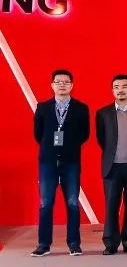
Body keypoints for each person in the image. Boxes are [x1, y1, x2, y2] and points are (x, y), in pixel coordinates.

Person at [31, 69, 90, 257]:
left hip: (71, 161)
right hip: (47, 162)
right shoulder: (42, 107)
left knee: (72, 203)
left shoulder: (81, 108)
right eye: (58, 82)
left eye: (66, 82)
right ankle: (43, 244)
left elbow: (84, 134)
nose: (62, 85)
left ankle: (74, 244)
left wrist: (68, 147)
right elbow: (38, 134)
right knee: (45, 203)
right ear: (52, 85)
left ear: (72, 85)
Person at [95, 74, 127, 255]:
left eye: (124, 86)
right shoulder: (103, 113)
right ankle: (110, 243)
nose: (120, 90)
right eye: (116, 87)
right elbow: (102, 140)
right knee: (111, 206)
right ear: (112, 90)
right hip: (112, 167)